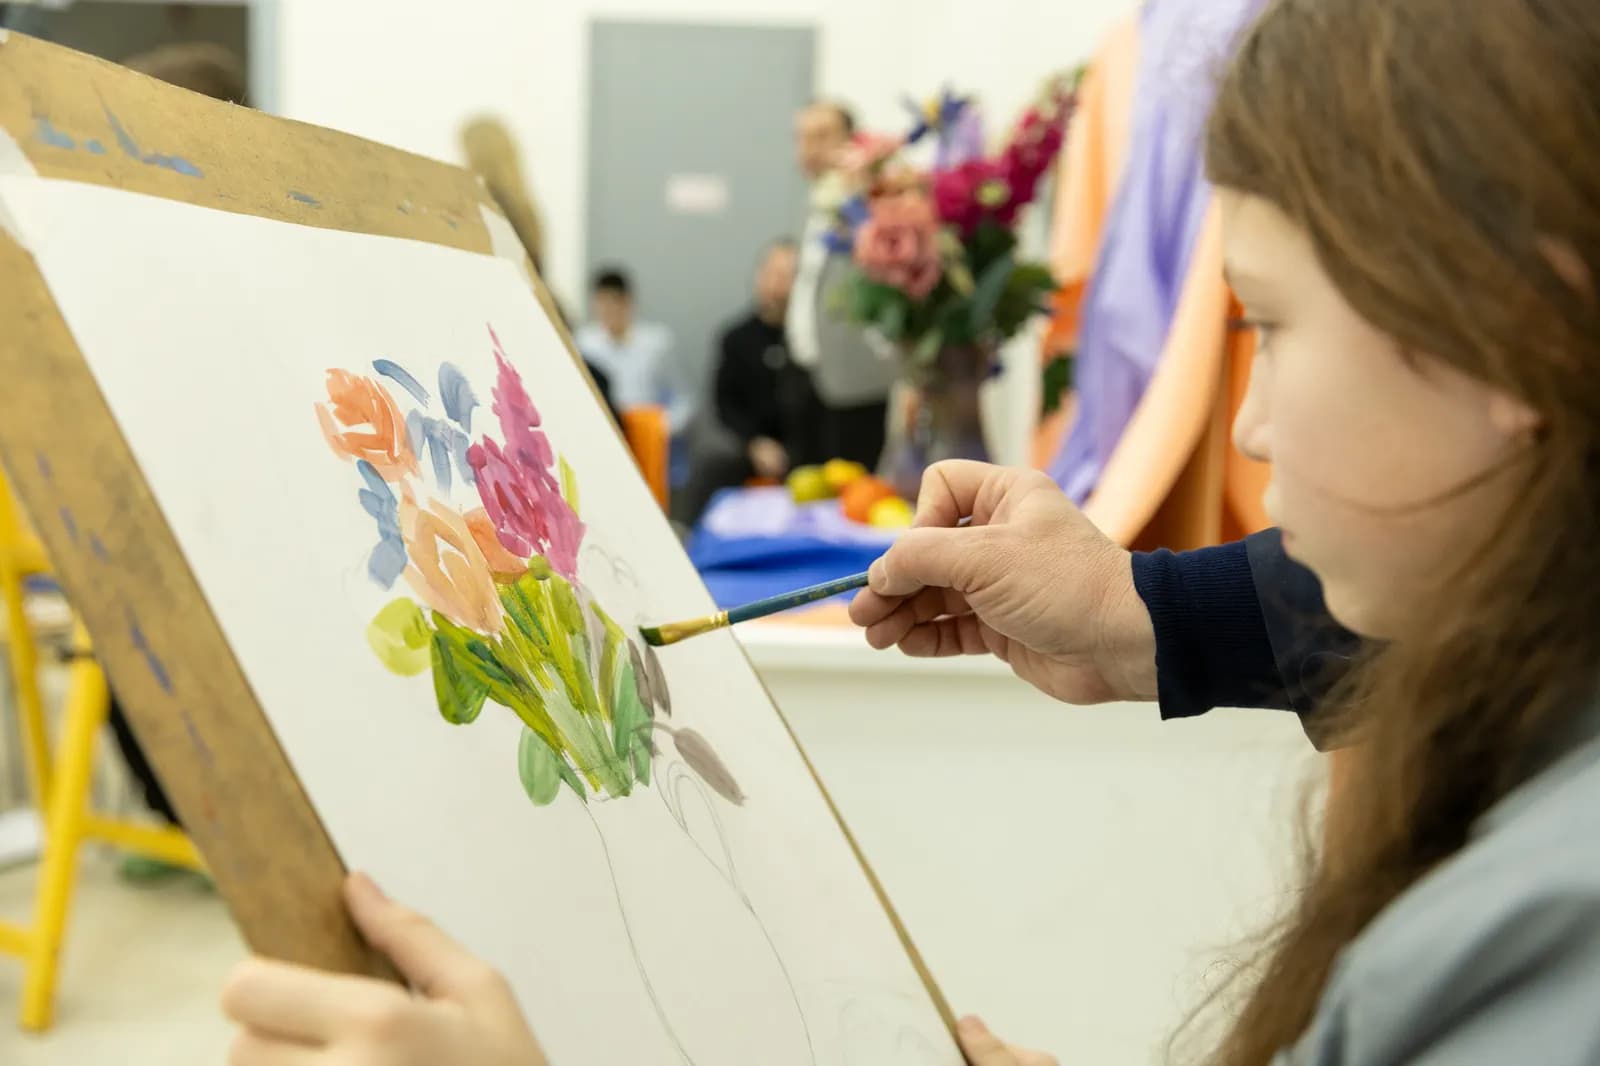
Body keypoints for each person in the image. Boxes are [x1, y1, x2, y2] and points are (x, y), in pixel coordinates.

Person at [220, 2, 1600, 1063]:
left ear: (1512, 332)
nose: (1245, 426)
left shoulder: (1553, 937)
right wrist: (1141, 614)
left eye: (1269, 325)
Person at [674, 239, 823, 524]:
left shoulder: (810, 345)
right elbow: (725, 403)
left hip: (802, 449)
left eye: (786, 276)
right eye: (771, 273)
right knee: (713, 464)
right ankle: (690, 535)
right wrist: (755, 444)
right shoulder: (735, 338)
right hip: (747, 446)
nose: (776, 285)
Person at [786, 100, 900, 468]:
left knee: (852, 488)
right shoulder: (814, 204)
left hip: (855, 380)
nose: (809, 149)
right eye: (802, 138)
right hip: (808, 375)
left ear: (852, 142)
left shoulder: (874, 202)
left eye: (821, 136)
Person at [573, 268, 688, 434]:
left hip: (646, 430)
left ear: (628, 302)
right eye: (602, 303)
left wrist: (662, 427)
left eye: (615, 302)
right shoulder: (584, 343)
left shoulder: (657, 343)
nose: (609, 310)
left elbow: (684, 397)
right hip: (601, 428)